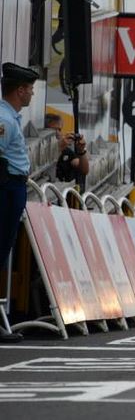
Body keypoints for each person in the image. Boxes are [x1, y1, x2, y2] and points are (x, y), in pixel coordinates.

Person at [0, 62, 38, 343]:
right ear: (20, 90)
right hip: (6, 188)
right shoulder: (4, 119)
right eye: (30, 89)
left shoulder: (10, 117)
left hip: (12, 187)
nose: (33, 94)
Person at [44, 113, 89, 183]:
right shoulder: (43, 151)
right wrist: (58, 148)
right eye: (53, 130)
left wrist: (81, 151)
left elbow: (84, 170)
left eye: (59, 130)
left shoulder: (66, 151)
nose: (58, 133)